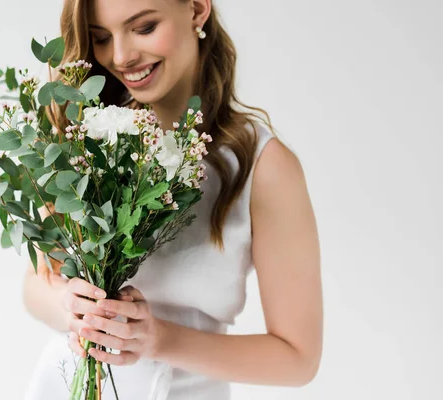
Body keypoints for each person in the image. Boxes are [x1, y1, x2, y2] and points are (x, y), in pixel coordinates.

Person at [22, 0, 323, 399]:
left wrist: (157, 339)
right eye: (101, 38)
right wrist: (70, 305)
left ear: (197, 9)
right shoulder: (86, 139)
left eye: (144, 28)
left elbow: (298, 358)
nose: (121, 56)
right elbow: (34, 287)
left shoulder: (262, 166)